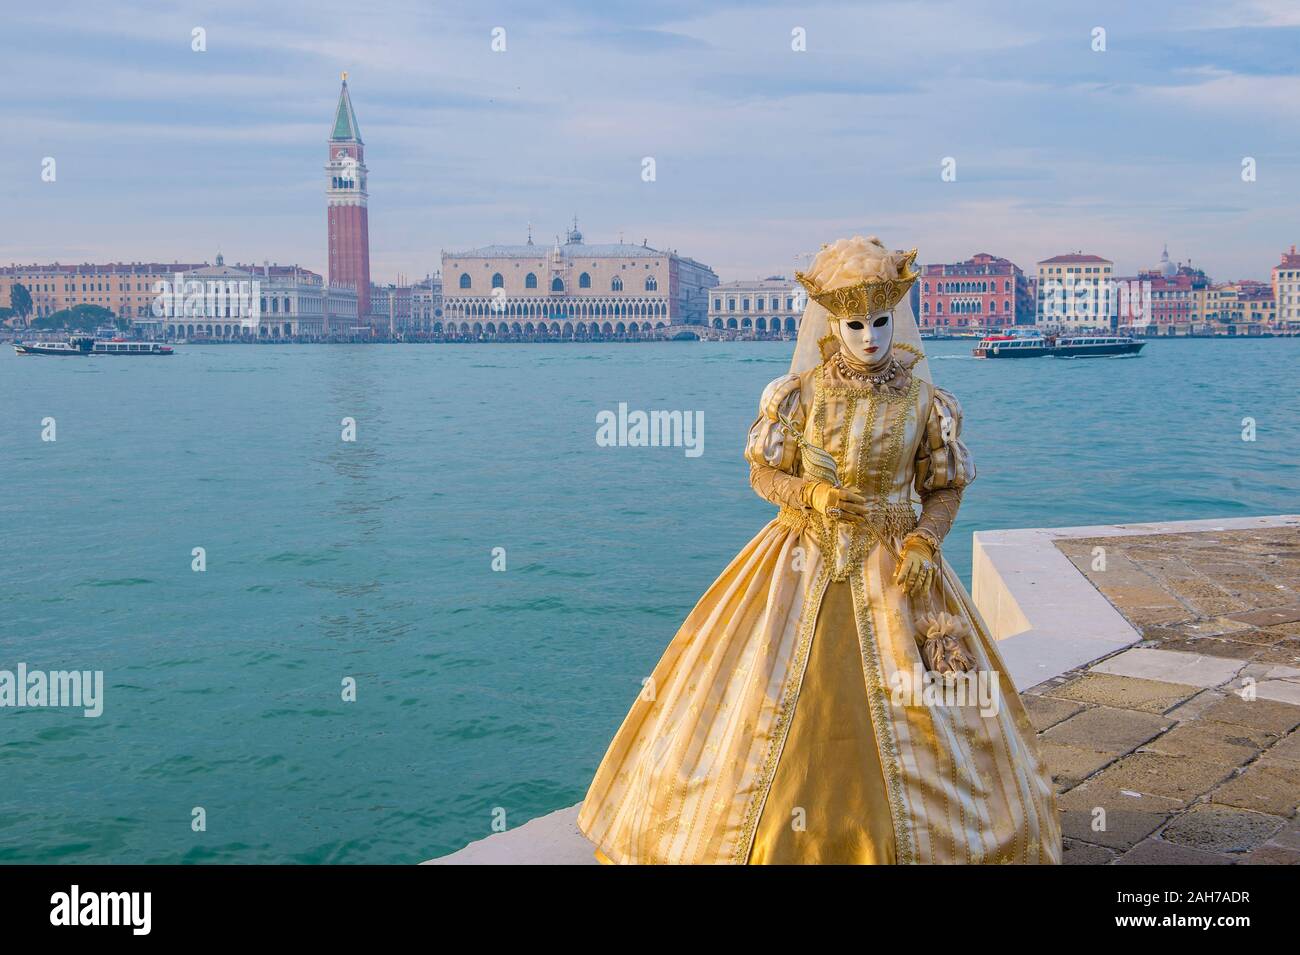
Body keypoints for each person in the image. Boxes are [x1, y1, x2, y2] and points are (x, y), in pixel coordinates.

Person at [578, 236, 1061, 864]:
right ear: (833, 323)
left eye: (880, 322)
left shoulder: (926, 401)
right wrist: (815, 496)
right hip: (802, 555)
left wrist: (925, 540)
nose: (868, 338)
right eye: (854, 324)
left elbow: (942, 489)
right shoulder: (797, 396)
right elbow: (761, 475)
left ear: (896, 318)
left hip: (898, 567)